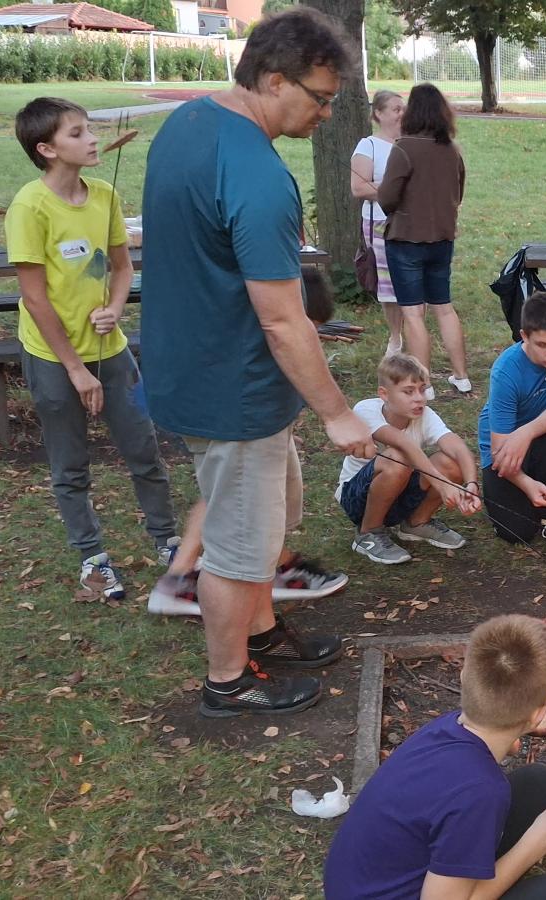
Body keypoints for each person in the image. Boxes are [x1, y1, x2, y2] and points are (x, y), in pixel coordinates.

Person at [140, 8, 372, 717]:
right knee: (238, 546)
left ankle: (262, 630)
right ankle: (228, 682)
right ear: (274, 80)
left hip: (193, 366)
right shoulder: (260, 177)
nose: (327, 115)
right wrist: (337, 413)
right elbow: (282, 317)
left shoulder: (187, 123)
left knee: (263, 522)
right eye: (320, 98)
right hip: (231, 388)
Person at [6, 96, 178, 602]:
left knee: (144, 449)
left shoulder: (104, 194)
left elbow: (121, 267)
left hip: (112, 352)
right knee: (70, 463)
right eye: (77, 133)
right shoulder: (29, 207)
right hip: (53, 357)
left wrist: (115, 308)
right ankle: (93, 560)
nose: (93, 139)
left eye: (89, 129)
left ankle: (169, 543)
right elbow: (35, 299)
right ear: (47, 149)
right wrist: (77, 370)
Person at [322, 615, 546, 900]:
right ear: (538, 715)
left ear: (464, 676)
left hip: (362, 883)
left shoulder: (445, 728)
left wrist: (509, 738)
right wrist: (536, 844)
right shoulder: (480, 792)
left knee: (539, 783)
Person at [147, 268, 353, 616]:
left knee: (258, 494)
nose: (313, 340)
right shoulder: (262, 339)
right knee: (227, 492)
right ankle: (179, 580)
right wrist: (335, 414)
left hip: (257, 417)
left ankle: (280, 564)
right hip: (232, 415)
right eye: (310, 329)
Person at [338, 353, 482, 565]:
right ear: (384, 394)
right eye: (408, 391)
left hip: (400, 491)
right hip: (357, 498)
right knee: (398, 458)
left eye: (422, 389)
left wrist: (471, 484)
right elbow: (403, 445)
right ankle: (368, 533)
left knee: (452, 463)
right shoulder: (365, 409)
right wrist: (443, 485)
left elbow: (458, 448)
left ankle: (416, 523)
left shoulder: (426, 415)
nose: (419, 398)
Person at [378, 82, 471, 400]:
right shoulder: (452, 150)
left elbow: (387, 198)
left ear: (413, 113)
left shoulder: (404, 148)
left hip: (405, 239)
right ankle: (461, 376)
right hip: (442, 239)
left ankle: (424, 384)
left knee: (413, 313)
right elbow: (459, 192)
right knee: (444, 307)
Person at [478, 291, 546, 554]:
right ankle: (524, 495)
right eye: (542, 345)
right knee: (517, 532)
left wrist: (525, 433)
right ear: (524, 336)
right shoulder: (505, 370)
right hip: (503, 447)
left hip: (541, 437)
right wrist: (526, 483)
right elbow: (500, 452)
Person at [350, 89, 406, 358]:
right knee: (388, 286)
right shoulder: (368, 145)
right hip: (381, 223)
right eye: (396, 109)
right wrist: (396, 187)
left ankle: (414, 332)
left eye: (403, 109)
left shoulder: (411, 143)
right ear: (378, 114)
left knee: (412, 281)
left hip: (411, 223)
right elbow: (359, 187)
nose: (402, 114)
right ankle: (395, 338)